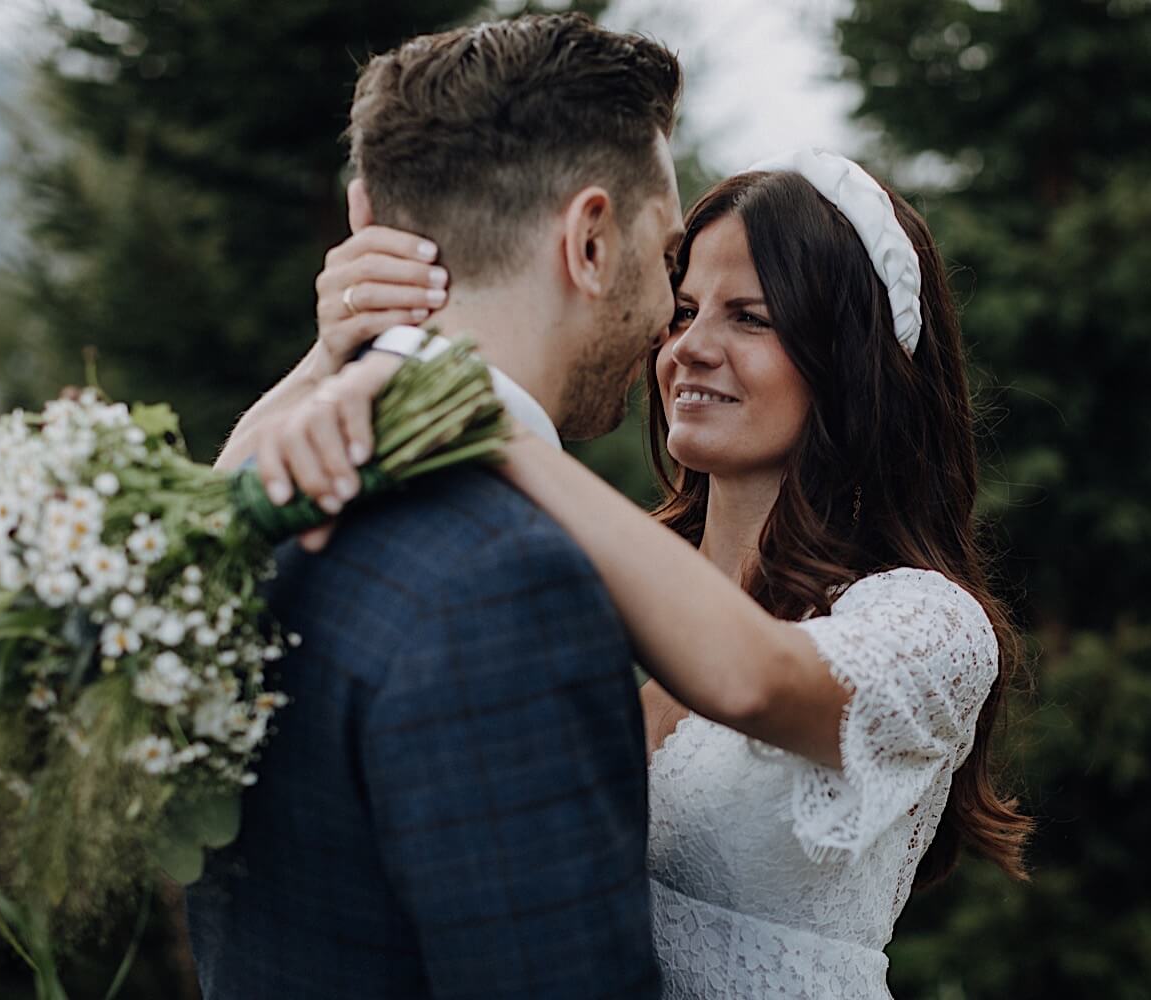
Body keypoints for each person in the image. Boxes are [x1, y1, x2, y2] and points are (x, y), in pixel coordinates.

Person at [248, 149, 1035, 997]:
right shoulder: (605, 567)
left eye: (751, 318)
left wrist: (478, 411)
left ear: (851, 362)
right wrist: (329, 361)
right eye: (685, 309)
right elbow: (236, 564)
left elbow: (752, 676)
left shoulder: (932, 626)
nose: (690, 349)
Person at [185, 14, 685, 999]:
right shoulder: (508, 576)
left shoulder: (244, 517)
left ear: (365, 216)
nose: (673, 313)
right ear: (589, 239)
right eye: (667, 256)